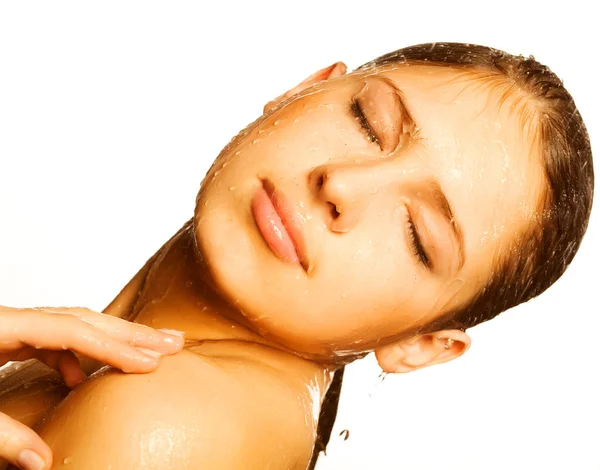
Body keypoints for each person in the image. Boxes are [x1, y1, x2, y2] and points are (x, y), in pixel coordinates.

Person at [0, 42, 593, 470]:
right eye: (367, 121)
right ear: (302, 88)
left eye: (418, 235)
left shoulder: (165, 422)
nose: (343, 184)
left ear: (423, 342)